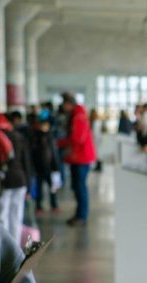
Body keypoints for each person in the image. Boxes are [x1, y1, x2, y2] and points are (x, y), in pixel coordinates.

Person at [0, 110, 33, 245]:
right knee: (16, 218)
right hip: (20, 181)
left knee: (1, 219)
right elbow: (27, 162)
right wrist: (29, 187)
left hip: (2, 184)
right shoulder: (17, 135)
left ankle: (3, 251)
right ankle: (14, 250)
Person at [57, 92, 96, 227]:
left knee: (80, 188)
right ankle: (79, 214)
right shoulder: (76, 115)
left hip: (81, 158)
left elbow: (77, 138)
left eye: (64, 103)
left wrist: (61, 142)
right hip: (78, 158)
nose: (63, 106)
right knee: (77, 187)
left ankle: (82, 216)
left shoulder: (78, 117)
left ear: (69, 103)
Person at [30, 112, 61, 214]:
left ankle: (54, 204)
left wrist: (56, 167)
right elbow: (33, 153)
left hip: (50, 167)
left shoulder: (50, 137)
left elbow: (54, 153)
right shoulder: (35, 137)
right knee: (39, 188)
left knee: (53, 188)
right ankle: (39, 206)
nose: (44, 127)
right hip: (39, 167)